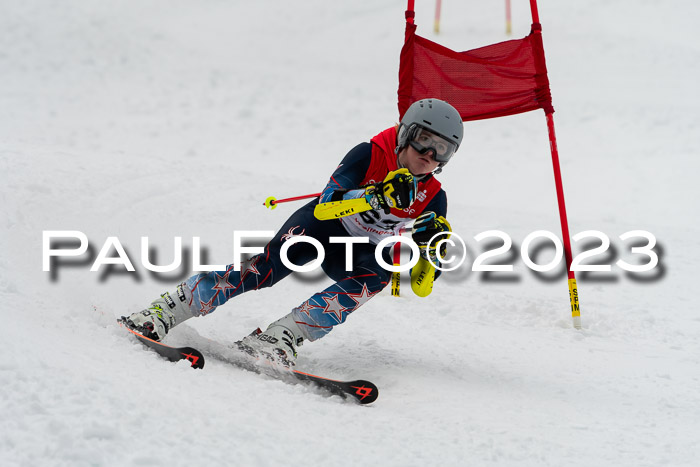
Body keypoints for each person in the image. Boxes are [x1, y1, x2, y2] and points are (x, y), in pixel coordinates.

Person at [124, 98, 463, 367]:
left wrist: (429, 253)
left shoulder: (434, 197)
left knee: (379, 274)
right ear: (406, 133)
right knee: (266, 269)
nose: (430, 155)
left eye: (442, 150)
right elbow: (325, 206)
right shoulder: (370, 153)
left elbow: (419, 287)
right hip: (322, 227)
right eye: (423, 141)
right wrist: (373, 196)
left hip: (357, 250)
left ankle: (282, 335)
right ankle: (167, 309)